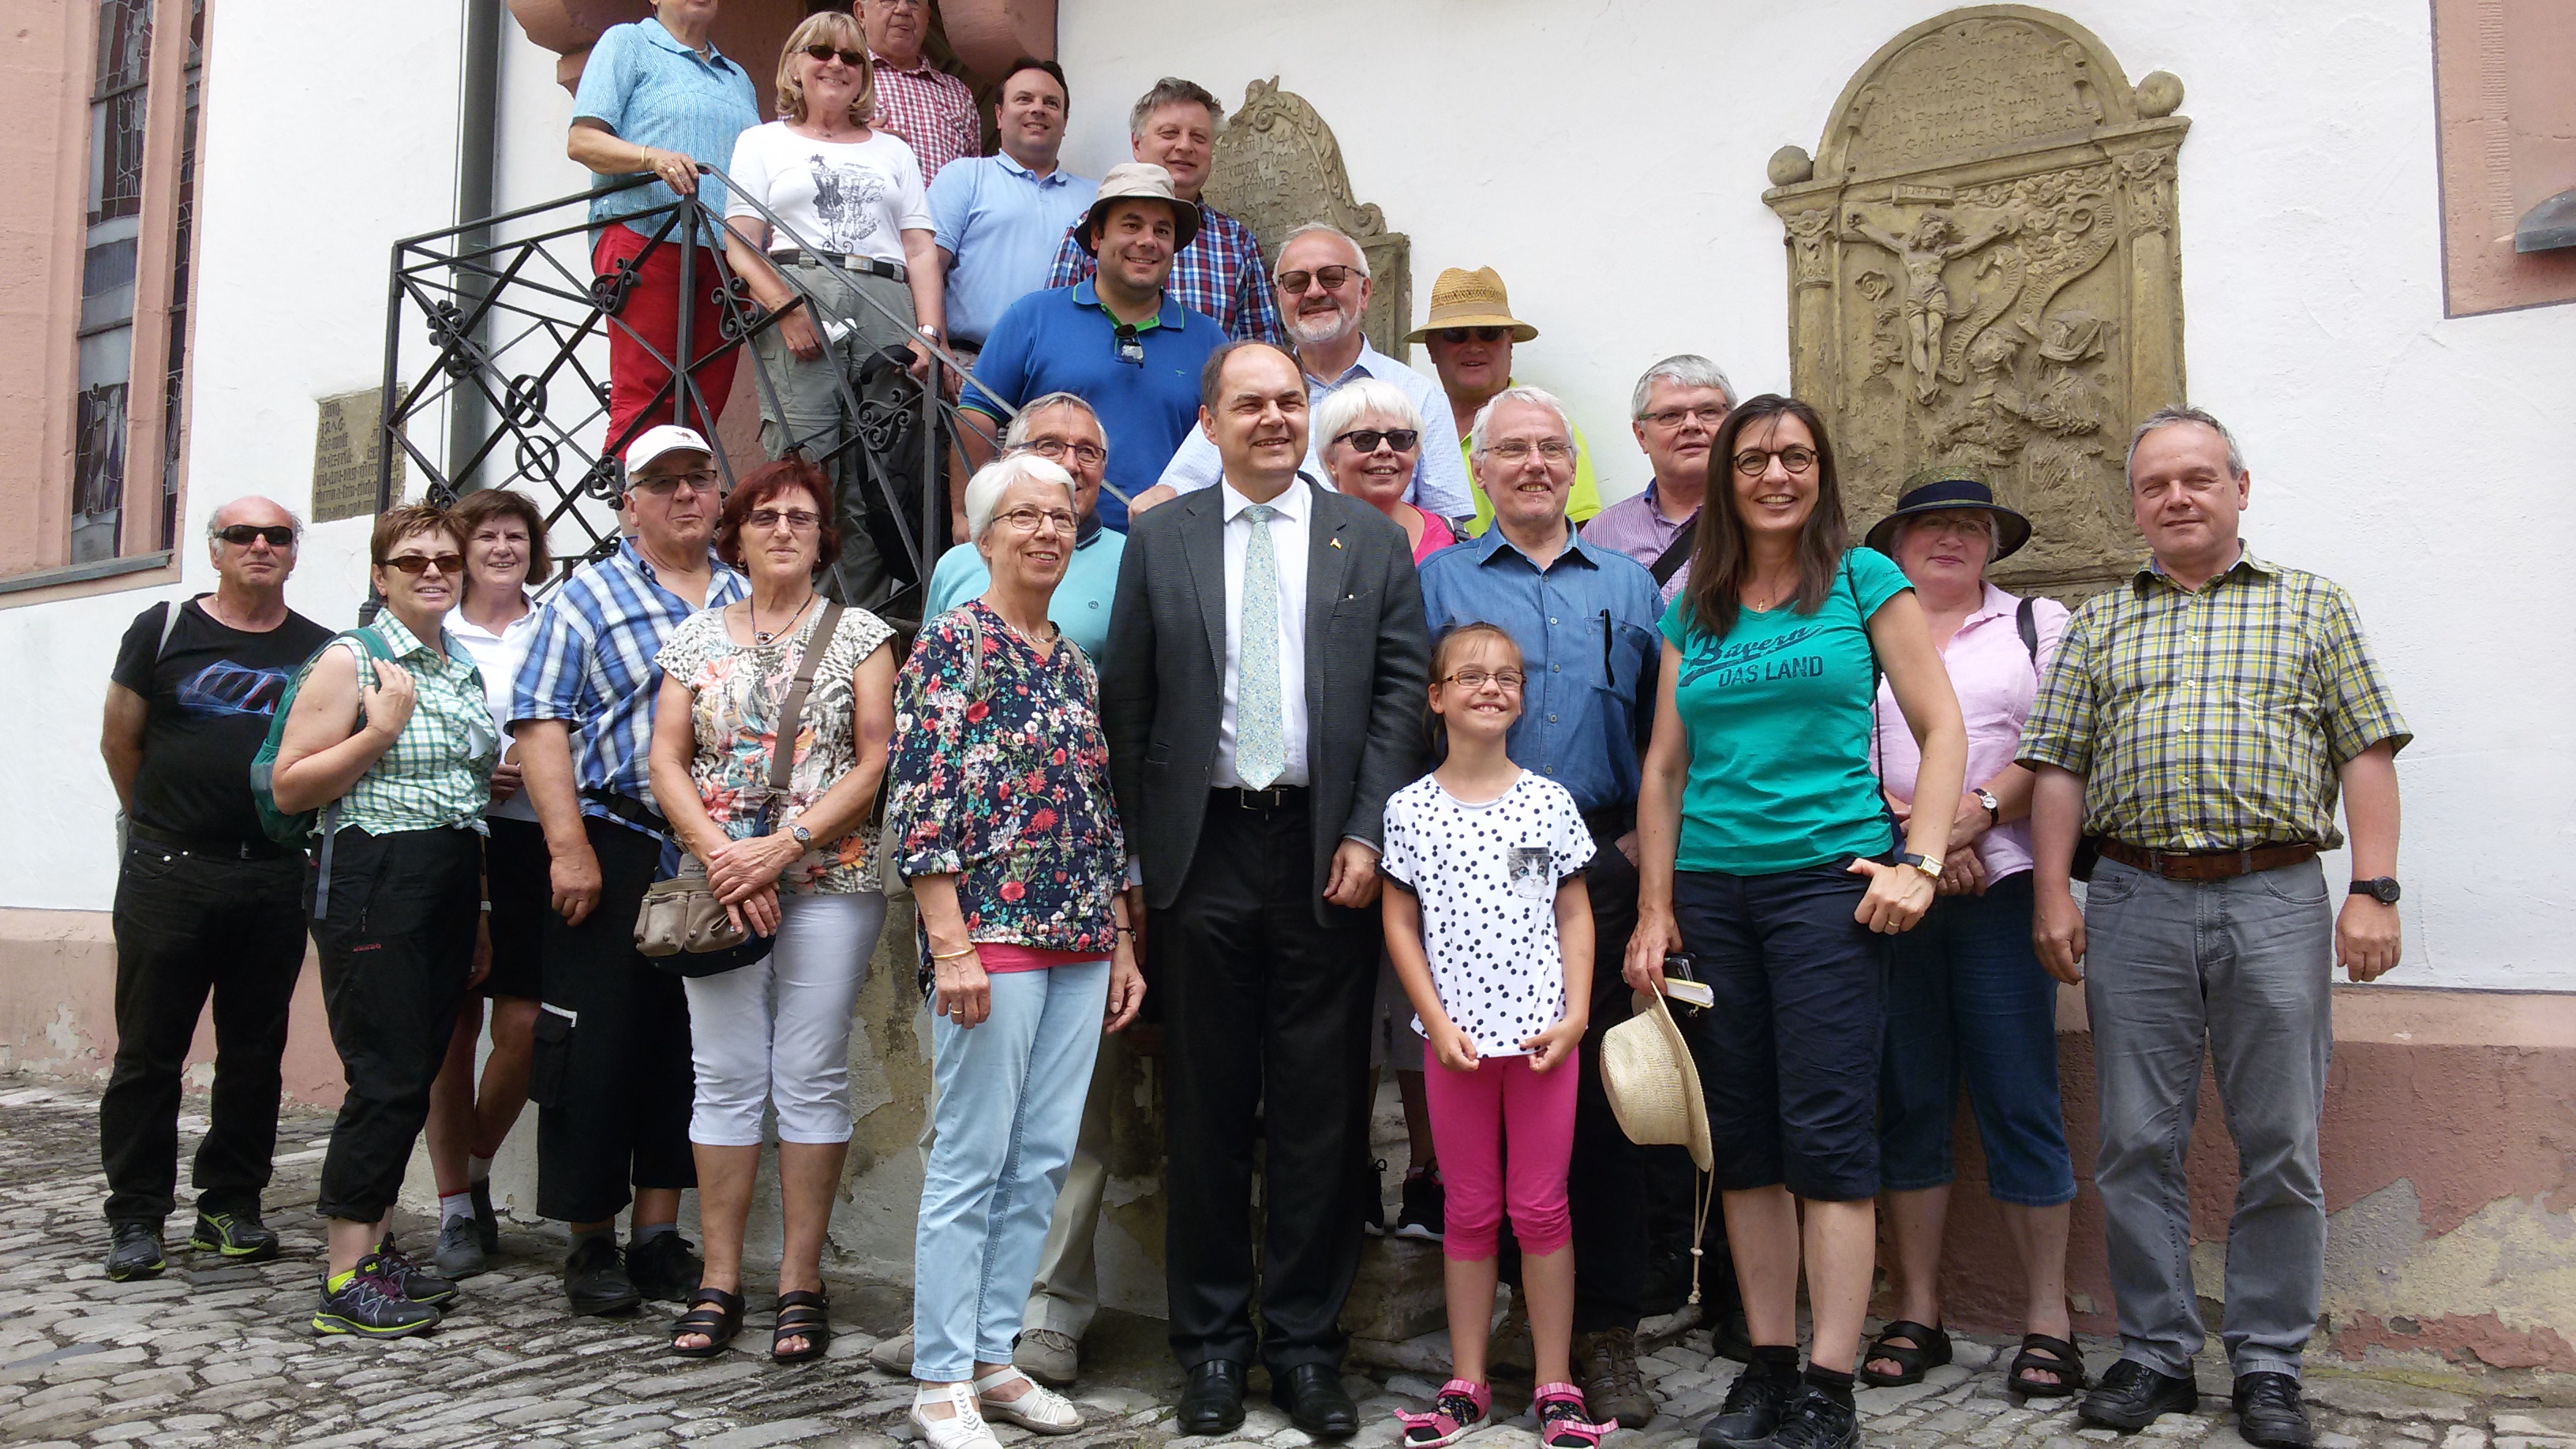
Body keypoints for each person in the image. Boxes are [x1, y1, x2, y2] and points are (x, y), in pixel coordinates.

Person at [2020, 407, 2409, 1449]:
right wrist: (2054, 892)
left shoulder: (2312, 606)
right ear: (2135, 507)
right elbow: (2058, 769)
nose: (2177, 497)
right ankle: (2156, 1353)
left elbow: (2366, 750)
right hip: (2135, 899)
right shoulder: (2101, 624)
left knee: (2280, 1139)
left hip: (2273, 897)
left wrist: (2375, 889)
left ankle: (2270, 1362)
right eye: (2156, 485)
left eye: (2198, 478)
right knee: (2133, 1141)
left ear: (2240, 489)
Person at [1101, 340, 1432, 1440]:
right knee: (1203, 1111)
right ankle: (1208, 1347)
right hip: (1200, 853)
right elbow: (1129, 706)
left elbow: (1400, 697)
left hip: (1323, 852)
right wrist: (1136, 865)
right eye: (1251, 404)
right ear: (1211, 421)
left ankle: (1303, 1348)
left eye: (1291, 400)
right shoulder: (1161, 539)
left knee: (1319, 1114)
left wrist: (1367, 831)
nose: (1276, 418)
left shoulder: (1368, 538)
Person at [1627, 395, 1967, 1449]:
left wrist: (1921, 861)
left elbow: (1942, 726)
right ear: (1727, 478)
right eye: (1755, 459)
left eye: (1797, 457)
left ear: (1821, 473)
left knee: (1827, 1135)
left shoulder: (1863, 580)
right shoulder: (1696, 607)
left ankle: (1828, 1388)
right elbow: (1665, 769)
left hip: (1827, 888)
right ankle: (1768, 1369)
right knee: (1743, 1143)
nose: (1776, 475)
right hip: (1715, 894)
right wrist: (1654, 909)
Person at [1417, 388, 1665, 1428]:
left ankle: (1601, 1337)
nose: (1532, 464)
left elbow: (1665, 738)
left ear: (1574, 466)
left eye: (1550, 449)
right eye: (1510, 449)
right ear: (1478, 470)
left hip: (1597, 864)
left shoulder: (1632, 584)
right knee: (1485, 1103)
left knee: (1597, 1109)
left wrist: (1641, 857)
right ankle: (1507, 1327)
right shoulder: (1438, 583)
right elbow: (1408, 721)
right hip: (1472, 876)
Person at [888, 453, 1145, 1449]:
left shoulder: (1071, 662)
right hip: (990, 936)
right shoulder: (954, 642)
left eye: (1062, 517)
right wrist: (948, 944)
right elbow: (920, 799)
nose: (1047, 531)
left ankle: (994, 1358)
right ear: (984, 536)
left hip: (1080, 936)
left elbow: (1096, 809)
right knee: (972, 1159)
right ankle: (938, 1378)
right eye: (1025, 516)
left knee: (1040, 1159)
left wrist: (1121, 940)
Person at [648, 457, 899, 1363]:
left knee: (809, 1072)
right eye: (765, 517)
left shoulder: (861, 634)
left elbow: (875, 760)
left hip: (828, 880)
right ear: (737, 536)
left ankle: (800, 1280)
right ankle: (719, 1279)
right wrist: (723, 856)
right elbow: (666, 758)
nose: (784, 530)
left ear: (823, 537)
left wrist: (783, 847)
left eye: (800, 517)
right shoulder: (693, 639)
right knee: (722, 1074)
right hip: (717, 889)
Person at [1852, 474, 2080, 1397]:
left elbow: (2058, 742)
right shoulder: (1859, 628)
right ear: (1895, 546)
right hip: (1885, 888)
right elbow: (1838, 748)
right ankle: (1917, 1310)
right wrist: (1918, 843)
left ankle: (2049, 1320)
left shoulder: (2035, 624)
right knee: (1907, 1099)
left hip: (2003, 887)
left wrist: (1968, 819)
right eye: (1931, 527)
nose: (1951, 539)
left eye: (1970, 527)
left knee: (2018, 1097)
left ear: (1993, 543)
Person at [512, 425, 748, 1316]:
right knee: (595, 1045)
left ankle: (658, 1235)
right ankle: (588, 1240)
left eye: (699, 478)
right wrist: (566, 847)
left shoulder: (746, 593)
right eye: (663, 482)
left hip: (714, 850)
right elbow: (540, 723)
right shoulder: (586, 597)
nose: (685, 495)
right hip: (613, 839)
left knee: (685, 1047)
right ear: (629, 505)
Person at [270, 504, 500, 1338]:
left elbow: (465, 795)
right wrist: (379, 734)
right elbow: (290, 785)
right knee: (386, 1072)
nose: (433, 572)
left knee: (416, 1068)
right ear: (380, 576)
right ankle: (344, 1276)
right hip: (375, 875)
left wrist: (478, 910)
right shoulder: (351, 660)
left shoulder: (457, 664)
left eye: (447, 559)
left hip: (446, 877)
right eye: (412, 561)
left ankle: (375, 1251)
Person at [1379, 622, 1604, 1449]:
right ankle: (1466, 1380)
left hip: (1544, 1044)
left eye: (1507, 676)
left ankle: (1555, 1383)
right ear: (1437, 698)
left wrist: (1576, 1014)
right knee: (1470, 1209)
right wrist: (1435, 1023)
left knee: (1541, 1208)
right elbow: (1399, 923)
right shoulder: (1410, 810)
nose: (1491, 688)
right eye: (1470, 676)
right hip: (1458, 1047)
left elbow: (1571, 911)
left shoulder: (1547, 802)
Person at [96, 498, 332, 1282]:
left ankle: (231, 1204)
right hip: (170, 869)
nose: (260, 545)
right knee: (149, 1051)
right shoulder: (164, 629)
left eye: (277, 536)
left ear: (292, 553)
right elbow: (120, 738)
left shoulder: (319, 649)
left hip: (273, 871)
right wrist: (158, 823)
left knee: (255, 1050)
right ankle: (137, 1214)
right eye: (242, 534)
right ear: (215, 549)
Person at [722, 11, 943, 612]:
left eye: (851, 56)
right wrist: (785, 308)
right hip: (799, 286)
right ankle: (798, 617)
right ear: (795, 64)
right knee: (806, 464)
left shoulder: (894, 149)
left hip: (884, 298)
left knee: (880, 474)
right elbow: (740, 242)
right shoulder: (762, 141)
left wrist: (927, 332)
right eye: (821, 51)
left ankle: (859, 625)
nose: (836, 64)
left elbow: (920, 248)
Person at [425, 488, 553, 1279]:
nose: (504, 548)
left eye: (517, 535)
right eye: (487, 536)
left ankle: (475, 1166)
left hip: (538, 840)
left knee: (527, 1025)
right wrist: (478, 778)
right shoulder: (437, 631)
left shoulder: (555, 622)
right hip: (454, 839)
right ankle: (452, 1210)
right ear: (462, 550)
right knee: (450, 1030)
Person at [1139, 225, 1471, 524]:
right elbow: (1177, 490)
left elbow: (1448, 526)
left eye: (1332, 277)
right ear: (1279, 298)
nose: (1314, 292)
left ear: (1365, 292)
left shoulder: (1420, 395)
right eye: (1296, 282)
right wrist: (1160, 499)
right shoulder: (1246, 393)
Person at [963, 164, 1226, 532]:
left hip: (1168, 544)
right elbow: (976, 413)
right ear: (1097, 236)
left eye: (1162, 230)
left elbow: (1230, 438)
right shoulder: (1033, 316)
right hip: (1047, 539)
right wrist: (968, 514)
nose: (1148, 241)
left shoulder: (1208, 339)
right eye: (1131, 226)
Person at [567, 0, 760, 455]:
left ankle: (687, 501)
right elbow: (581, 140)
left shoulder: (737, 76)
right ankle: (631, 503)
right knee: (645, 396)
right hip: (647, 235)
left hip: (726, 255)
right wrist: (650, 157)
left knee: (704, 405)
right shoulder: (629, 43)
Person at [1044, 79, 1287, 345]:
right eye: (1170, 133)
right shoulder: (1090, 229)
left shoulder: (1238, 243)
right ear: (1137, 145)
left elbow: (1265, 349)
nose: (1185, 146)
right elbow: (1053, 333)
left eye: (1199, 137)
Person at [924, 393, 1125, 662]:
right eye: (1050, 446)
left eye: (1088, 452)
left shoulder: (1131, 561)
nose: (1070, 464)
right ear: (1009, 459)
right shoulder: (956, 563)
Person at [1410, 268, 1604, 537]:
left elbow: (1580, 536)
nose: (1474, 346)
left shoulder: (1549, 431)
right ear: (1431, 347)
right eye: (1456, 334)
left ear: (1509, 341)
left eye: (1489, 332)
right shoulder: (1405, 430)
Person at [929, 58, 1092, 358]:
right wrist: (934, 342)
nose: (1038, 109)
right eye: (1024, 99)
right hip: (972, 362)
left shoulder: (1095, 197)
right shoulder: (964, 176)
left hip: (1064, 367)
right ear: (999, 115)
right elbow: (927, 267)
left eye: (1051, 103)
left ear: (1065, 122)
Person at [1584, 356, 1736, 601]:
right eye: (1670, 415)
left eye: (1708, 412)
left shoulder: (1761, 518)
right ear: (1641, 436)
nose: (1691, 425)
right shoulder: (1603, 534)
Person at [856, 0, 979, 182]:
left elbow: (975, 182)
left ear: (927, 16)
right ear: (861, 14)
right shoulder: (841, 78)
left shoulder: (958, 94)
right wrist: (851, 146)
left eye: (914, 1)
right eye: (890, 0)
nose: (903, 9)